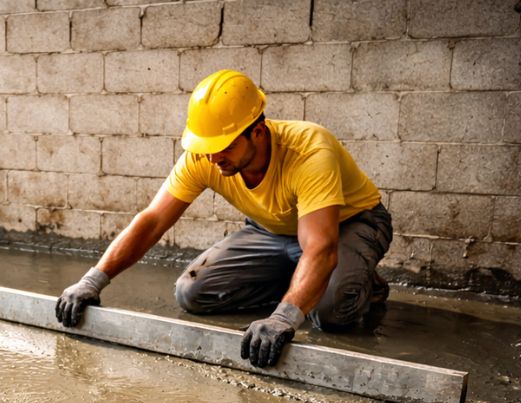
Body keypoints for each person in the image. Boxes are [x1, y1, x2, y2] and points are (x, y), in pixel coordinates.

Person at [55, 70, 393, 368]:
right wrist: (92, 280)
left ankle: (362, 284)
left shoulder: (309, 151)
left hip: (347, 225)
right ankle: (302, 282)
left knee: (330, 313)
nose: (214, 157)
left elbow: (321, 246)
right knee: (192, 292)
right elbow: (153, 220)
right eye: (207, 146)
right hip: (273, 230)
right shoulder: (205, 156)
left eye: (225, 146)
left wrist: (283, 317)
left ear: (258, 132)